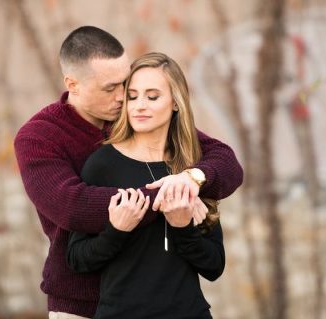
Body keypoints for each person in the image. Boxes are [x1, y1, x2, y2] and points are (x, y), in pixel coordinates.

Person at [14, 26, 243, 319]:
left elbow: (223, 159)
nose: (124, 98)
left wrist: (190, 178)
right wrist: (172, 195)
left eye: (125, 84)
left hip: (160, 300)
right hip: (80, 302)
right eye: (110, 88)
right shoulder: (39, 138)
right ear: (73, 85)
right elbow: (74, 207)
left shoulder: (135, 118)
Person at [67, 52, 231, 319]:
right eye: (132, 96)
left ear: (175, 103)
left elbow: (214, 266)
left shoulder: (191, 168)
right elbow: (77, 259)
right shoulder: (103, 164)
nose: (139, 105)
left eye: (152, 96)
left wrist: (182, 227)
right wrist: (117, 230)